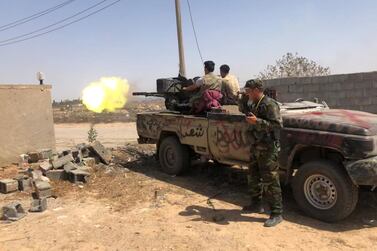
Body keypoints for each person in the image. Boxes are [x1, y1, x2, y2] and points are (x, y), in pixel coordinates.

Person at [241, 79, 283, 227]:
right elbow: (242, 108)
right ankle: (256, 204)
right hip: (256, 146)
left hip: (268, 148)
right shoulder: (252, 103)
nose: (247, 93)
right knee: (253, 176)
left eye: (249, 91)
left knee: (270, 180)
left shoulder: (270, 104)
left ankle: (277, 213)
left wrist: (257, 122)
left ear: (257, 90)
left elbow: (277, 125)